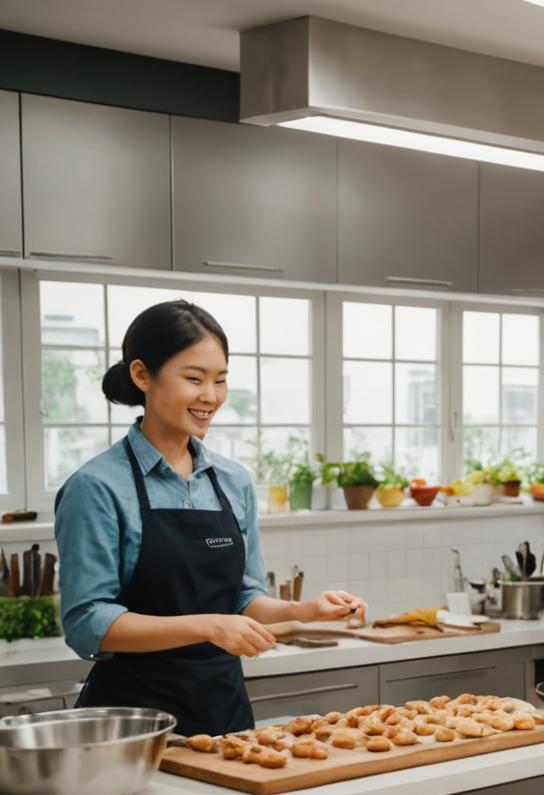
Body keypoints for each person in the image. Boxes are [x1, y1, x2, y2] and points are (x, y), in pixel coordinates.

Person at [58, 301, 366, 737]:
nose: (211, 396)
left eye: (220, 380)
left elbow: (243, 598)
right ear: (142, 375)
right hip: (132, 729)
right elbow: (87, 624)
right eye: (194, 378)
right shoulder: (97, 487)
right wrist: (208, 625)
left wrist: (305, 610)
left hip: (226, 719)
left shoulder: (233, 481)